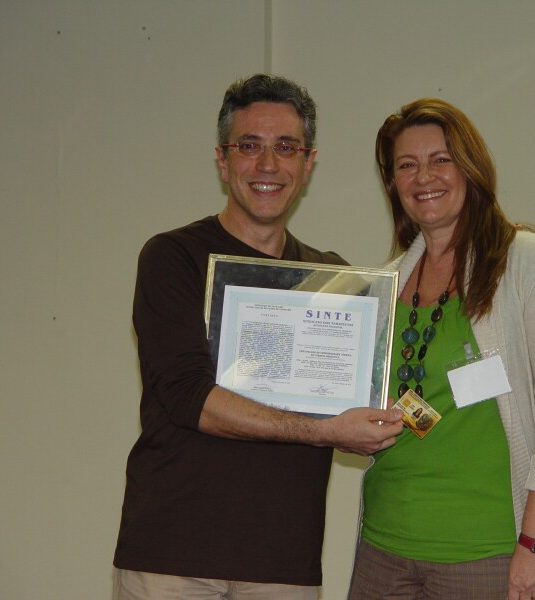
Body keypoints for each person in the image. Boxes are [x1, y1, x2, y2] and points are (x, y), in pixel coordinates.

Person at [112, 74, 403, 600]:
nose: (268, 165)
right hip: (172, 558)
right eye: (249, 146)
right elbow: (188, 396)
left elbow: (356, 400)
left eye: (286, 147)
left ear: (307, 164)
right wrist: (324, 430)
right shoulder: (172, 258)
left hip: (283, 564)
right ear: (223, 161)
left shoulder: (335, 281)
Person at [348, 99, 535, 600]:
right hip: (383, 547)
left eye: (441, 159)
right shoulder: (384, 283)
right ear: (392, 183)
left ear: (470, 167)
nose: (423, 177)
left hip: (487, 553)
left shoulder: (526, 262)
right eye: (406, 165)